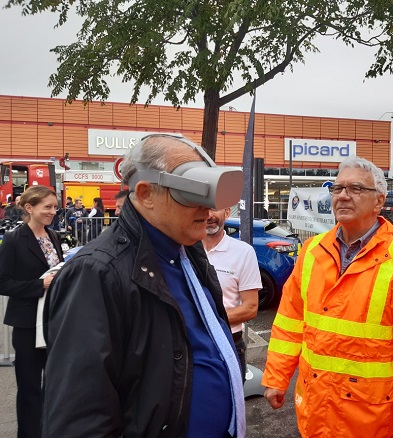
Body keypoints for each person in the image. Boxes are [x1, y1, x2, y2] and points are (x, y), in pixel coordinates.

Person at [42, 134, 246, 437]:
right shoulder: (96, 273)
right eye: (192, 194)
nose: (209, 209)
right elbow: (81, 417)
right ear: (146, 193)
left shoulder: (187, 250)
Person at [262, 156, 393, 438]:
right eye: (337, 188)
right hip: (315, 407)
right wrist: (277, 377)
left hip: (371, 416)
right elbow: (290, 321)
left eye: (355, 189)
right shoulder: (312, 250)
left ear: (379, 201)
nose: (342, 195)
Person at [0, 186, 64, 438]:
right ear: (30, 208)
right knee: (29, 387)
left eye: (54, 207)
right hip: (27, 325)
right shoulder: (15, 240)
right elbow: (2, 282)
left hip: (53, 320)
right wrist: (40, 285)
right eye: (47, 207)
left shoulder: (54, 237)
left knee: (54, 384)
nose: (53, 212)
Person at [203, 206, 262, 382]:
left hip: (228, 343)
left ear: (227, 213)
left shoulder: (243, 252)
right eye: (203, 208)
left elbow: (250, 308)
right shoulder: (184, 249)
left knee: (231, 407)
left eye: (214, 208)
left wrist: (204, 321)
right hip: (192, 344)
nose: (208, 215)